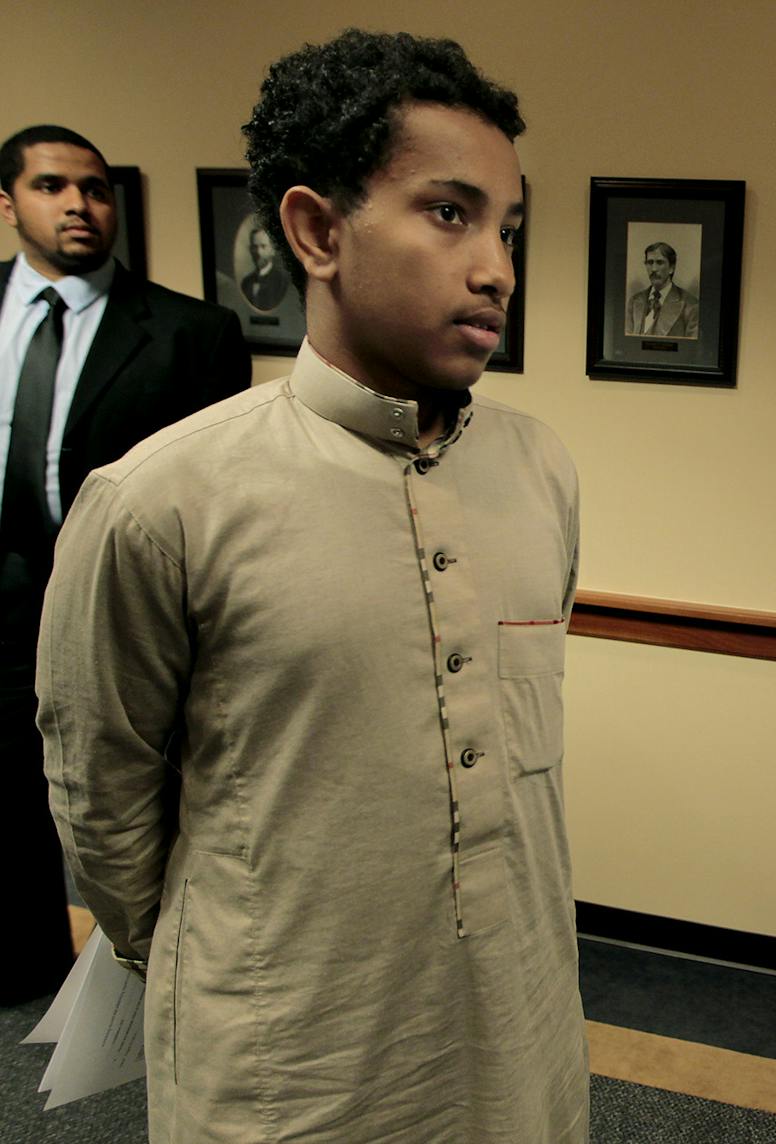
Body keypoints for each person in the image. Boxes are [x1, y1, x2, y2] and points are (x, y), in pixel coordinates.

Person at [38, 30, 586, 1143]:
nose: (496, 268)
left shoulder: (540, 470)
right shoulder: (159, 500)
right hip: (286, 1066)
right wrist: (232, 953)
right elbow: (105, 806)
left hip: (518, 1038)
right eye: (449, 213)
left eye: (507, 228)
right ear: (317, 230)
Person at [0, 124, 249, 1005]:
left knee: (125, 796)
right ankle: (23, 966)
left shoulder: (192, 334)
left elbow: (224, 500)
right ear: (8, 202)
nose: (79, 204)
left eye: (97, 189)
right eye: (53, 186)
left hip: (116, 607)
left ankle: (153, 969)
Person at [625, 240, 699, 337]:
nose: (654, 269)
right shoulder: (634, 301)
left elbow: (690, 348)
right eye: (650, 262)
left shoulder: (691, 305)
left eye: (660, 263)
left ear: (671, 268)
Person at [238, 220, 290, 311]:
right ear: (250, 249)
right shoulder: (246, 282)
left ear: (272, 250)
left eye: (263, 246)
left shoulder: (282, 281)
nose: (258, 252)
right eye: (254, 247)